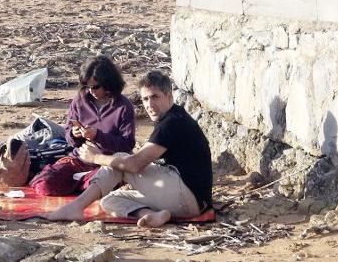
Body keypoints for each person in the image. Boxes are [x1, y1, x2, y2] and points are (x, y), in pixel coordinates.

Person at [45, 70, 212, 228]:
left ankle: (75, 207)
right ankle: (152, 214)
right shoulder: (171, 117)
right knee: (109, 200)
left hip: (186, 197)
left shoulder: (172, 122)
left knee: (120, 159)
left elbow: (134, 164)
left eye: (155, 97)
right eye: (145, 99)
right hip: (187, 202)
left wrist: (96, 158)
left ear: (169, 96)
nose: (150, 104)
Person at [28, 56, 135, 196]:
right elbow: (69, 138)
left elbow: (127, 144)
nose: (91, 91)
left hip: (106, 163)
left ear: (108, 83)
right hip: (79, 160)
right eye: (87, 86)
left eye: (95, 87)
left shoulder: (123, 107)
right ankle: (83, 184)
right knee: (45, 185)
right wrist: (74, 133)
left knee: (100, 183)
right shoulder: (79, 101)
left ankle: (84, 185)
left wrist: (98, 136)